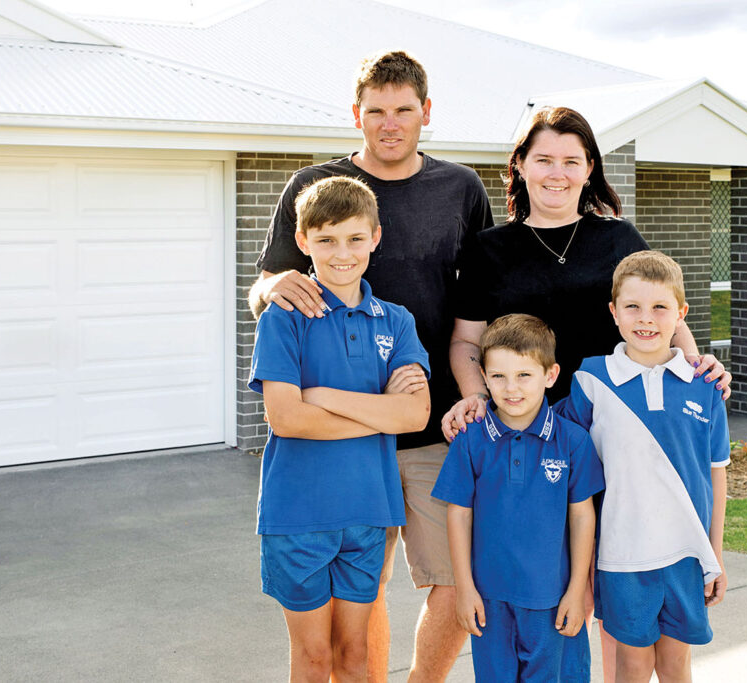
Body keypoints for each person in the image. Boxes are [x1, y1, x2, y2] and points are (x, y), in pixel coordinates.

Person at [442, 106, 731, 681]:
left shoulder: (617, 237)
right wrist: (477, 395)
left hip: (618, 434)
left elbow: (662, 309)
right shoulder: (488, 248)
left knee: (624, 585)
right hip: (534, 439)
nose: (557, 172)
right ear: (519, 166)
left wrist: (697, 366)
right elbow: (464, 343)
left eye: (571, 161)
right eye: (543, 158)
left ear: (589, 168)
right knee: (557, 587)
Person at [249, 51, 493, 681]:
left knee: (454, 578)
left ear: (426, 113)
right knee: (363, 592)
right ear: (355, 114)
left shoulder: (461, 188)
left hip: (428, 424)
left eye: (403, 110)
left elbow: (478, 304)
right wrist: (273, 292)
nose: (390, 123)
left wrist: (474, 390)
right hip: (342, 457)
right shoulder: (314, 188)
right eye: (376, 111)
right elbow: (269, 284)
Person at [248, 176, 432, 682]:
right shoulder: (283, 317)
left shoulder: (395, 321)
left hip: (369, 513)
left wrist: (324, 399)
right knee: (314, 659)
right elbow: (285, 417)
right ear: (303, 242)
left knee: (356, 656)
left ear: (375, 237)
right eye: (326, 240)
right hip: (298, 514)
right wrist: (378, 412)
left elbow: (414, 416)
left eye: (354, 238)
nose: (342, 253)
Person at [556, 251, 729, 683]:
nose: (645, 319)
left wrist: (716, 554)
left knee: (676, 666)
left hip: (687, 554)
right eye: (632, 306)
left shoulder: (705, 386)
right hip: (622, 556)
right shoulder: (591, 381)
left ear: (681, 313)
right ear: (613, 312)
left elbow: (716, 474)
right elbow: (551, 439)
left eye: (659, 307)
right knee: (631, 667)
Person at [432, 314, 604, 682]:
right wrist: (464, 589)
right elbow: (458, 515)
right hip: (490, 602)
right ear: (484, 378)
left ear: (550, 375)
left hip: (552, 601)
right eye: (498, 376)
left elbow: (582, 518)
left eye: (524, 375)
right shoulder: (471, 440)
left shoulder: (573, 441)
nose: (511, 388)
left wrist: (577, 591)